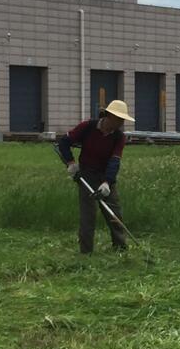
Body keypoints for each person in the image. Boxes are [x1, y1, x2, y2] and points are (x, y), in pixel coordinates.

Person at [57, 100, 134, 254]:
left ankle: (120, 249)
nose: (121, 123)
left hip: (105, 174)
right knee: (88, 215)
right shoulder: (87, 127)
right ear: (109, 116)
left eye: (122, 120)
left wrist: (107, 182)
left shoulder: (119, 137)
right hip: (87, 173)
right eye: (119, 119)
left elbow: (114, 161)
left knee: (114, 213)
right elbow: (64, 143)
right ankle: (86, 252)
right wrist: (71, 164)